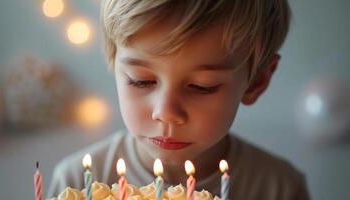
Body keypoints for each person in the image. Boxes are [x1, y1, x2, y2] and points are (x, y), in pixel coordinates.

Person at [48, 0, 310, 199]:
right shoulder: (76, 182)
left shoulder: (279, 188)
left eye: (201, 87)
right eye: (141, 80)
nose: (166, 112)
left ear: (257, 82)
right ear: (114, 64)